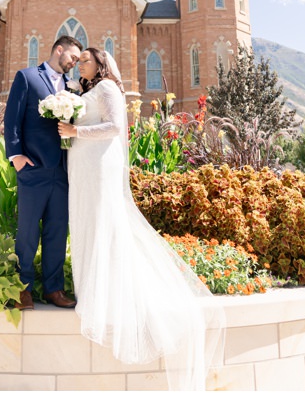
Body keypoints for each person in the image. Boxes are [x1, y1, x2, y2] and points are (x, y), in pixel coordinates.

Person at [57, 48, 219, 391]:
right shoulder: (85, 92)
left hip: (100, 164)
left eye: (85, 60)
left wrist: (75, 133)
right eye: (80, 61)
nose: (79, 64)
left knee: (104, 224)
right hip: (82, 166)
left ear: (100, 65)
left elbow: (116, 126)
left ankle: (108, 295)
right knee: (86, 223)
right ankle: (90, 290)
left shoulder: (108, 89)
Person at [3, 35, 84, 311]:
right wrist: (17, 158)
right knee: (27, 231)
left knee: (57, 231)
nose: (74, 62)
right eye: (72, 56)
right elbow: (12, 120)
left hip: (61, 170)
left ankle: (53, 288)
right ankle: (22, 289)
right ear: (58, 50)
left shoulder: (73, 87)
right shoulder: (26, 77)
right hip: (33, 168)